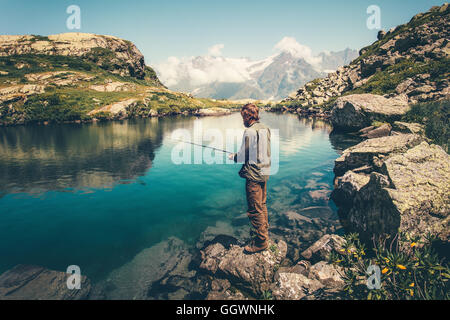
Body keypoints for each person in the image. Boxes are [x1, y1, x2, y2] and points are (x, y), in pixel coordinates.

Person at [229, 103, 271, 253]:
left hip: (253, 175)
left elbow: (242, 156)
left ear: (248, 116)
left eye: (243, 117)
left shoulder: (249, 131)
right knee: (262, 204)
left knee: (254, 209)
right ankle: (264, 234)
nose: (242, 121)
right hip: (265, 172)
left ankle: (261, 242)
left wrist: (233, 157)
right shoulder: (265, 128)